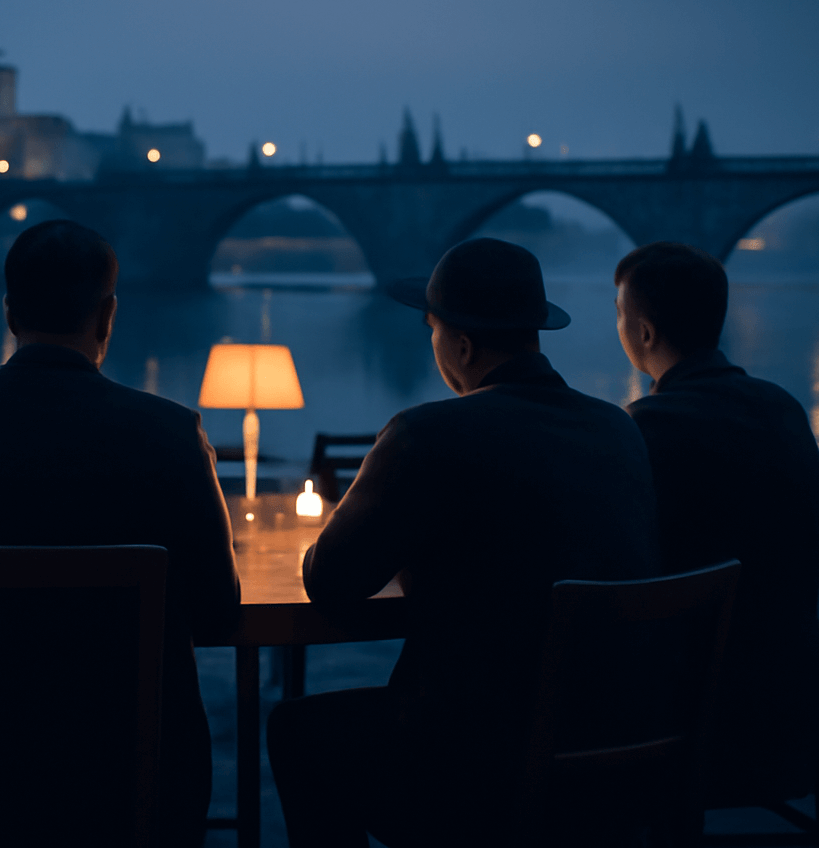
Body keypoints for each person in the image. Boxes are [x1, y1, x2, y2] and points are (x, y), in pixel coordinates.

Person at [267, 237, 660, 847]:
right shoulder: (620, 428)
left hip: (475, 771)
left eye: (432, 329)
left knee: (299, 730)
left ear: (461, 344)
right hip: (614, 756)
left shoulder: (426, 435)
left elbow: (329, 583)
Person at [0, 219, 240, 847]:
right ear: (108, 317)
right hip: (128, 778)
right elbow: (216, 614)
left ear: (11, 313)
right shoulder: (170, 434)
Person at [615, 241, 819, 805]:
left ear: (643, 333)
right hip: (795, 712)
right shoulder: (783, 407)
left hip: (697, 728)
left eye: (620, 314)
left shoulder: (646, 429)